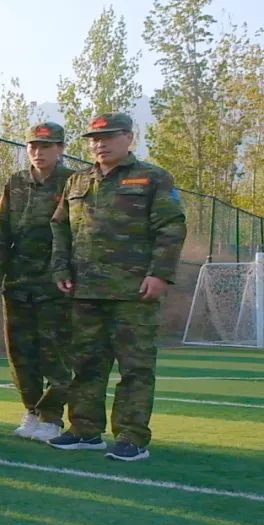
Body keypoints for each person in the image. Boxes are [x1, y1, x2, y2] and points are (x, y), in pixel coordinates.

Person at [48, 112, 186, 462]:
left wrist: (160, 274)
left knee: (135, 368)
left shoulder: (152, 177)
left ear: (129, 137)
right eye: (95, 139)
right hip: (85, 291)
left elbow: (171, 227)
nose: (100, 144)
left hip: (133, 292)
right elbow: (60, 228)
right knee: (86, 365)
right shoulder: (77, 181)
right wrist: (60, 267)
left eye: (108, 137)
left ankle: (131, 437)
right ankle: (84, 430)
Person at [0, 122, 75, 442]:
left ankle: (52, 416)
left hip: (55, 283)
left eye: (46, 146)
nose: (38, 152)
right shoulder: (16, 182)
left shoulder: (73, 182)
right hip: (18, 282)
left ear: (60, 149)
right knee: (20, 353)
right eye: (33, 146)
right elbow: (0, 232)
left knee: (54, 351)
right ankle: (32, 410)